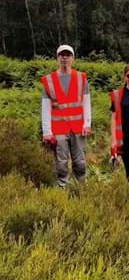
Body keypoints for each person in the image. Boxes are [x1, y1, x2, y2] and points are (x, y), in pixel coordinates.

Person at [41, 45, 92, 187]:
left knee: (80, 162)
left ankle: (81, 188)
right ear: (57, 58)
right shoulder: (49, 80)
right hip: (58, 129)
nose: (64, 57)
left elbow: (86, 103)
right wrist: (47, 132)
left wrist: (87, 123)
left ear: (72, 58)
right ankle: (63, 190)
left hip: (78, 128)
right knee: (61, 163)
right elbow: (45, 108)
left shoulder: (81, 78)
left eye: (67, 55)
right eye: (61, 55)